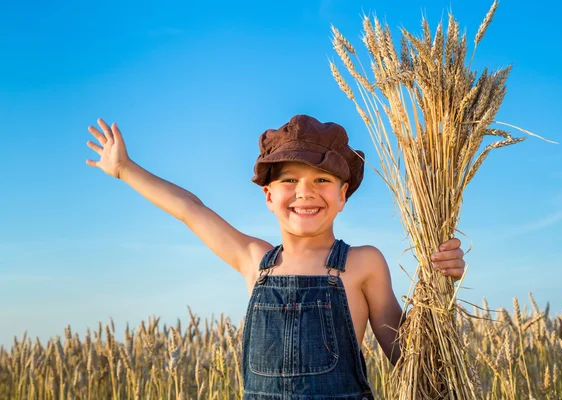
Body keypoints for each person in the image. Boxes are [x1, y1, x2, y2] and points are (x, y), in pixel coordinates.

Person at [85, 114, 466, 399]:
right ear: (269, 196)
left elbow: (408, 354)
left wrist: (440, 285)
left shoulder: (363, 263)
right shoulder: (255, 260)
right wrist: (124, 169)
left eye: (321, 180)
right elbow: (191, 210)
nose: (305, 192)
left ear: (343, 194)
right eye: (289, 181)